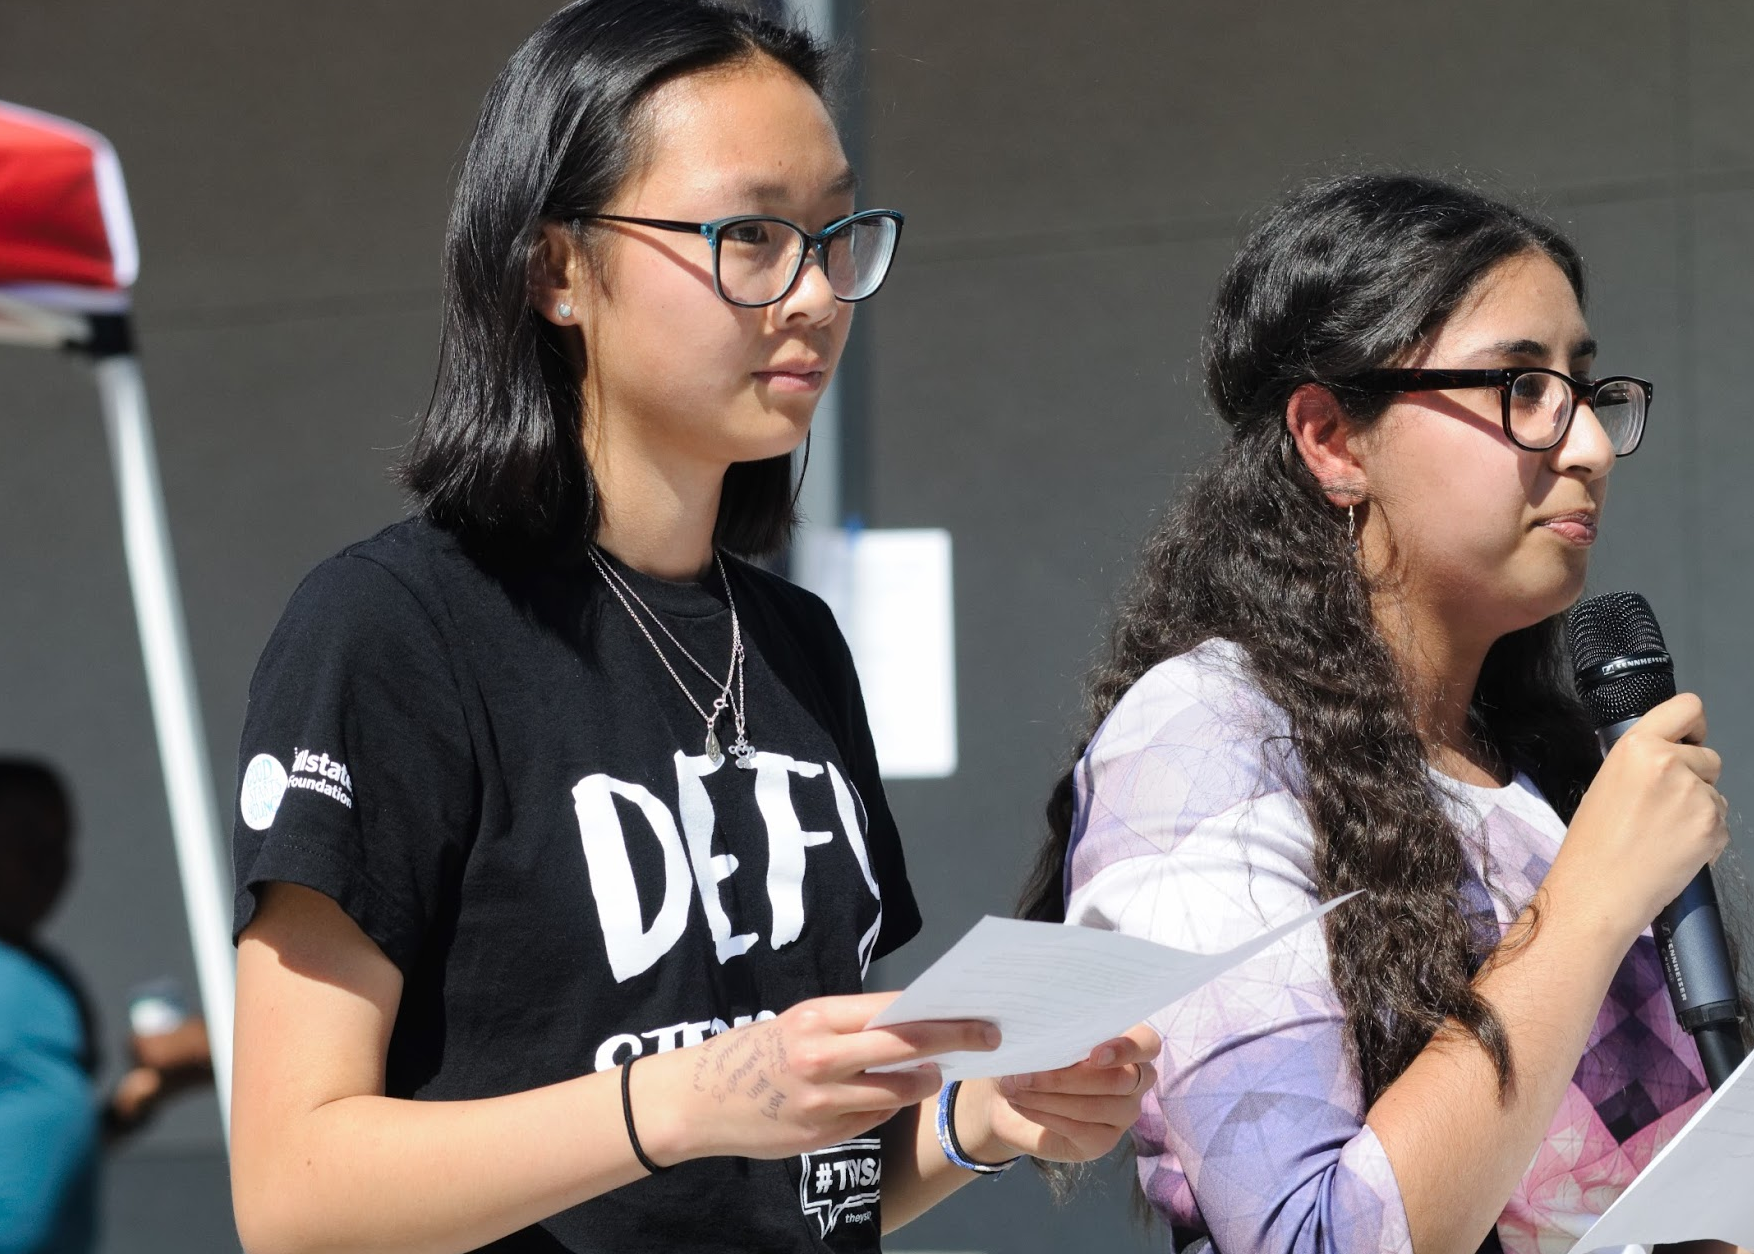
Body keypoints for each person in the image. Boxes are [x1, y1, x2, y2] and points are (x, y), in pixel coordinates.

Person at [225, 5, 1155, 1253]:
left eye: (835, 235)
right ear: (556, 269)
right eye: (754, 235)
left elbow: (805, 1181)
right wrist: (688, 1098)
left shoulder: (794, 643)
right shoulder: (395, 628)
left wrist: (982, 1116)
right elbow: (292, 1190)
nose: (817, 291)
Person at [1019, 174, 1754, 1254]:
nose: (1589, 448)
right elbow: (1307, 1239)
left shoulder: (1536, 769)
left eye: (1585, 388)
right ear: (1332, 437)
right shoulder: (1206, 737)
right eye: (1519, 387)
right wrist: (1588, 904)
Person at [0, 759, 214, 1254]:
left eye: (60, 843)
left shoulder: (52, 980)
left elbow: (60, 1135)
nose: (49, 861)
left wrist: (136, 1102)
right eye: (25, 837)